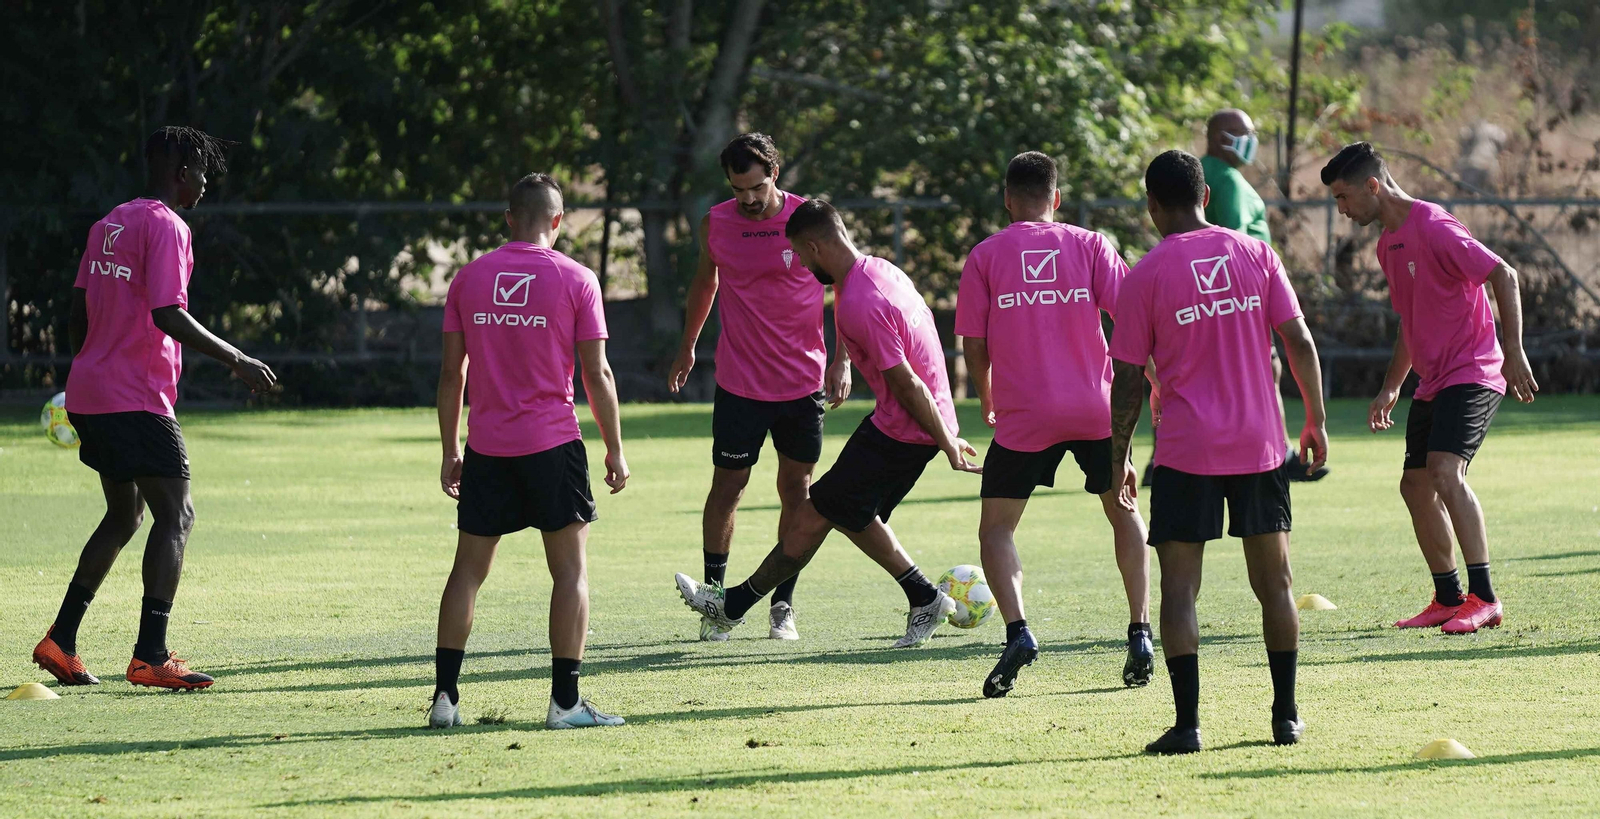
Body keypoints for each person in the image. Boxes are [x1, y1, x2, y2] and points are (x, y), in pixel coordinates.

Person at [32, 127, 277, 691]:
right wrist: (237, 357)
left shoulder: (107, 224)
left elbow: (77, 310)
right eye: (201, 171)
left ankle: (60, 641)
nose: (206, 181)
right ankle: (150, 654)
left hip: (91, 393)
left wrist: (89, 368)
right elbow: (168, 312)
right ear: (179, 170)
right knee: (177, 514)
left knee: (125, 516)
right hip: (136, 397)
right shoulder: (168, 226)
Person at [675, 200, 980, 648]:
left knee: (827, 512)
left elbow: (909, 382)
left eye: (799, 253)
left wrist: (947, 442)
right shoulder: (881, 271)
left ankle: (923, 598)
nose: (797, 262)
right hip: (906, 423)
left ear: (815, 246)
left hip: (907, 427)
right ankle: (733, 608)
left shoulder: (861, 300)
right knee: (832, 513)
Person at [1108, 150, 1328, 754]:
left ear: (1151, 207)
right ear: (1207, 197)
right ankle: (1285, 717)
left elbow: (1128, 379)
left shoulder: (1146, 275)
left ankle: (1188, 726)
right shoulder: (1255, 253)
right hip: (1261, 446)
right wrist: (1314, 420)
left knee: (1180, 592)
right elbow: (1299, 339)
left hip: (1185, 452)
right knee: (1276, 584)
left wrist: (1118, 455)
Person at [429, 174, 630, 730]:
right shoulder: (576, 278)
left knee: (467, 572)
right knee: (570, 573)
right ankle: (565, 704)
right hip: (552, 446)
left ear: (509, 217)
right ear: (559, 221)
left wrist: (450, 450)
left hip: (488, 448)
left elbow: (451, 374)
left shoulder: (469, 278)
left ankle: (445, 700)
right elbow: (598, 372)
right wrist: (614, 448)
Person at [955, 151, 1154, 697]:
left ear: (1006, 198)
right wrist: (1151, 387)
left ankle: (1018, 632)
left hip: (1024, 415)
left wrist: (987, 397)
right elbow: (1132, 318)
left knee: (996, 529)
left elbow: (974, 342)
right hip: (1095, 409)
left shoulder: (985, 255)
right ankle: (1140, 630)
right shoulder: (1090, 244)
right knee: (1124, 511)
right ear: (1056, 198)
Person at [1321, 142, 1536, 635]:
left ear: (1373, 186)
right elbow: (1409, 321)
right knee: (1414, 485)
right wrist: (1391, 386)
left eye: (1343, 196)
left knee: (1444, 471)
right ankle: (1447, 597)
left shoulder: (1435, 226)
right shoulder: (1386, 245)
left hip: (1475, 369)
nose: (1342, 209)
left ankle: (1485, 598)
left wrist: (1515, 349)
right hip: (1433, 379)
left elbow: (1504, 274)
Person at [668, 133, 852, 642]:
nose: (748, 198)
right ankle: (714, 602)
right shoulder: (717, 223)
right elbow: (705, 283)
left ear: (775, 172)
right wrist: (688, 345)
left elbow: (847, 284)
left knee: (797, 491)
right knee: (727, 487)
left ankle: (782, 605)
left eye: (756, 186)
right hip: (739, 384)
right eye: (737, 188)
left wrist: (842, 358)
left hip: (802, 384)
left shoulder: (808, 221)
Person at [1142, 109, 1328, 485]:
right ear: (1218, 136)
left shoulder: (1205, 173)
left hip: (1196, 295)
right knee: (1264, 368)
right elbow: (1233, 244)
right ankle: (1278, 451)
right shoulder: (1228, 180)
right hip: (1240, 294)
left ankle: (1160, 459)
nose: (1250, 140)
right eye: (1242, 133)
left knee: (1182, 376)